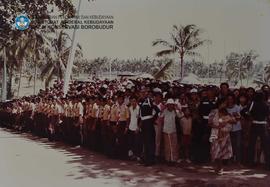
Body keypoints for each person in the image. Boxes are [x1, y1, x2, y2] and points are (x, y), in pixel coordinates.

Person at [209, 97, 234, 174]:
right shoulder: (213, 112)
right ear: (219, 104)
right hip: (215, 133)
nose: (225, 105)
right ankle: (218, 166)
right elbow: (209, 123)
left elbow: (233, 121)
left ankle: (220, 167)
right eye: (223, 103)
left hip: (225, 134)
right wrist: (218, 127)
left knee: (222, 151)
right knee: (216, 150)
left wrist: (228, 121)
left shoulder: (227, 112)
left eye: (225, 104)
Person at [248, 91, 269, 169]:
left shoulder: (252, 104)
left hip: (255, 124)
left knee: (252, 144)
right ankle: (268, 164)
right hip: (263, 125)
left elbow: (245, 112)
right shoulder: (266, 104)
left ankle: (250, 162)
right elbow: (268, 115)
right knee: (266, 145)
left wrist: (250, 116)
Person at [139, 87, 159, 166]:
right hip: (144, 123)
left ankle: (150, 160)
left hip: (148, 123)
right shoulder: (142, 101)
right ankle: (146, 159)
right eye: (141, 92)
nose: (143, 94)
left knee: (149, 142)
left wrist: (152, 120)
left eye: (144, 92)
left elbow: (157, 110)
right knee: (145, 142)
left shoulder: (149, 101)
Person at [160, 98, 182, 165]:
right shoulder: (165, 111)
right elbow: (160, 116)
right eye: (169, 105)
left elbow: (180, 115)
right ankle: (168, 159)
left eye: (172, 105)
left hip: (173, 130)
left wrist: (177, 109)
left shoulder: (175, 111)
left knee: (174, 145)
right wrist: (163, 109)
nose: (170, 106)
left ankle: (173, 160)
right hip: (166, 130)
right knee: (167, 146)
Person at [227, 94, 242, 164]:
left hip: (237, 129)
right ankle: (230, 159)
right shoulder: (225, 108)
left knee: (238, 145)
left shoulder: (237, 107)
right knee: (230, 145)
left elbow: (240, 117)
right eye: (228, 99)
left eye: (231, 98)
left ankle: (238, 160)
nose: (230, 100)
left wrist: (235, 117)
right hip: (228, 129)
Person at [127, 96, 142, 160]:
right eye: (132, 101)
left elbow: (141, 119)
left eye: (134, 101)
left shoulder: (139, 109)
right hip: (131, 127)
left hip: (136, 128)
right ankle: (132, 155)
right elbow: (129, 118)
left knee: (137, 143)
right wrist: (127, 126)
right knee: (131, 142)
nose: (133, 102)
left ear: (136, 101)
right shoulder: (129, 108)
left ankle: (138, 155)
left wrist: (138, 127)